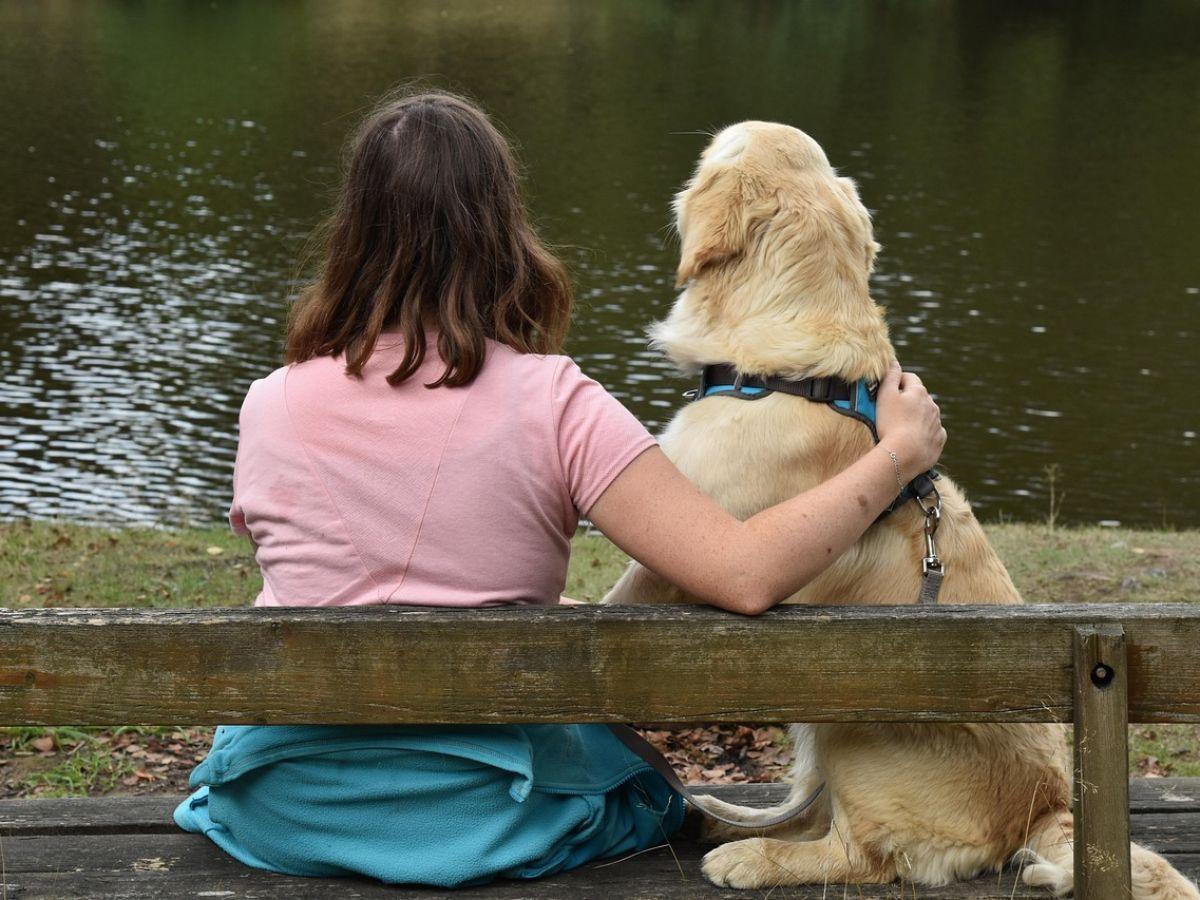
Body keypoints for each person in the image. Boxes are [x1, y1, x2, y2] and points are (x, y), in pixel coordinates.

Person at [174, 88, 945, 887]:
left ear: (354, 231)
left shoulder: (271, 402)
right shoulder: (555, 400)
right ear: (501, 227)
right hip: (499, 818)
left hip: (280, 809)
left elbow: (341, 572)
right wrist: (897, 453)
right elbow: (745, 576)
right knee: (643, 784)